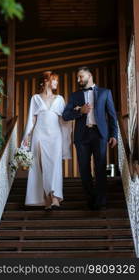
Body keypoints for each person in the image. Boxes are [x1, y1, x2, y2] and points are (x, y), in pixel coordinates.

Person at [62, 66, 118, 210]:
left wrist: (114, 135)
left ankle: (101, 200)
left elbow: (112, 116)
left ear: (89, 75)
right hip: (82, 136)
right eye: (77, 77)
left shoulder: (105, 93)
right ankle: (91, 197)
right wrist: (80, 111)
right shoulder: (75, 96)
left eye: (80, 76)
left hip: (99, 135)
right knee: (84, 169)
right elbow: (66, 115)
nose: (78, 79)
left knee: (100, 167)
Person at [22, 71, 72, 210]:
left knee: (55, 165)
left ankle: (55, 196)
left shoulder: (60, 99)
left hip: (55, 136)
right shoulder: (35, 98)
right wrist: (27, 136)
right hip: (39, 134)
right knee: (40, 165)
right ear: (46, 81)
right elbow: (32, 119)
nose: (56, 83)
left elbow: (64, 120)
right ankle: (46, 198)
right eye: (54, 80)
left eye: (56, 80)